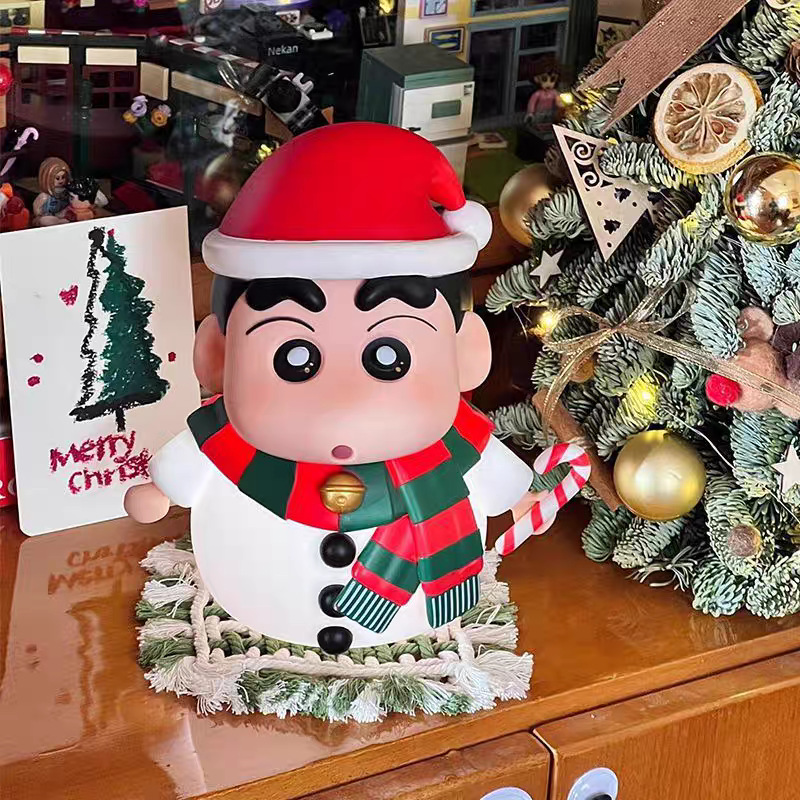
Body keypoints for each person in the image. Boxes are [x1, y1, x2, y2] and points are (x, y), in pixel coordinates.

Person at [124, 123, 548, 654]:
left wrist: (523, 498)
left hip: (417, 612)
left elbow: (501, 481)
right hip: (253, 608)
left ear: (465, 356)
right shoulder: (220, 444)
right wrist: (159, 491)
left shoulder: (461, 448)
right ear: (216, 356)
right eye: (294, 357)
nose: (343, 402)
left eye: (388, 357)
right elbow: (174, 479)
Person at [32, 157, 71, 226]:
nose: (61, 181)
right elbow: (37, 209)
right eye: (57, 178)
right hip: (49, 217)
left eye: (63, 177)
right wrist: (39, 214)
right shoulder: (45, 196)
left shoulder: (67, 192)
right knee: (43, 221)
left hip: (63, 215)